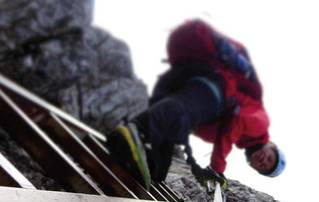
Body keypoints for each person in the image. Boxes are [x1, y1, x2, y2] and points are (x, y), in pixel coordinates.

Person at [107, 19, 286, 189]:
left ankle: (145, 161)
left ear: (252, 166)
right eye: (270, 158)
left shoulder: (243, 138)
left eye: (262, 167)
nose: (263, 161)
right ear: (271, 146)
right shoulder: (261, 125)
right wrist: (217, 167)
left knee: (158, 169)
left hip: (180, 84)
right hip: (211, 86)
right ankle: (137, 131)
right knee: (183, 112)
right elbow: (235, 122)